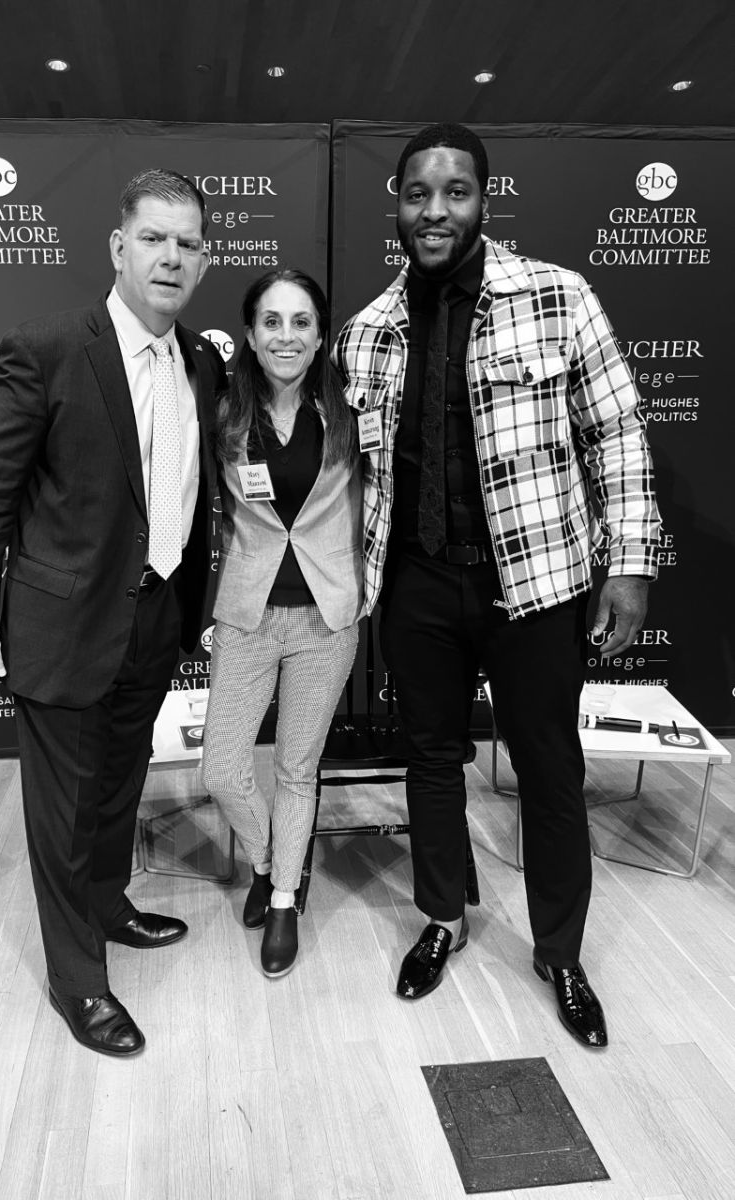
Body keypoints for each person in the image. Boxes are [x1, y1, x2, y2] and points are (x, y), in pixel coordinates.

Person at [334, 123, 661, 1047]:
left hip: (539, 585)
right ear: (395, 203)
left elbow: (619, 437)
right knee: (432, 758)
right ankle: (444, 916)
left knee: (549, 769)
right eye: (417, 194)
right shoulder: (368, 332)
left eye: (456, 192)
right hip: (418, 587)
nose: (435, 211)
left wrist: (628, 568)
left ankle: (560, 950)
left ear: (484, 198)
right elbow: (354, 480)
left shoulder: (559, 298)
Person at [0, 169, 226, 1057]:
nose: (170, 258)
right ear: (118, 248)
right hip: (63, 625)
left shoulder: (204, 362)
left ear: (205, 259)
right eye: (154, 239)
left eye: (187, 244)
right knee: (61, 815)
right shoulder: (49, 347)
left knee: (118, 787)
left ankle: (110, 908)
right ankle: (79, 985)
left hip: (156, 615)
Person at [201, 268, 363, 978]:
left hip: (327, 618)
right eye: (272, 321)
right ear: (250, 333)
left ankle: (287, 899)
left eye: (300, 322)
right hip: (247, 612)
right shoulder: (224, 413)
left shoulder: (353, 411)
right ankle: (270, 862)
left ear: (321, 334)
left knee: (297, 769)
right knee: (222, 770)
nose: (286, 335)